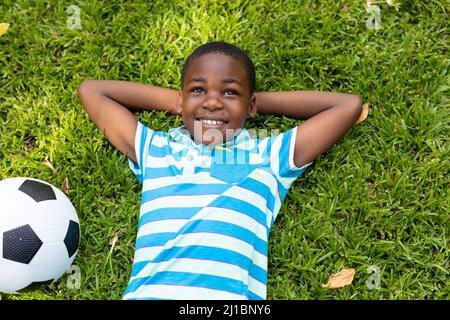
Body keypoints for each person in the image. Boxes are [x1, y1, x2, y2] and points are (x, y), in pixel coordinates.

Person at [78, 41, 363, 300]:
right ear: (181, 100)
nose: (213, 102)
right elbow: (92, 91)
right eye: (198, 90)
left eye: (230, 92)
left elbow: (346, 106)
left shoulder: (267, 157)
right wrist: (184, 104)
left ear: (251, 105)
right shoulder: (157, 150)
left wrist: (251, 104)